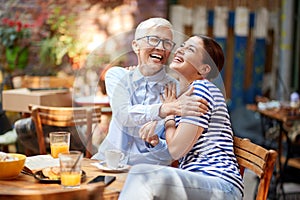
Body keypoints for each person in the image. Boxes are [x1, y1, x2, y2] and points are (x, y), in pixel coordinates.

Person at [119, 35, 244, 200]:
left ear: (204, 69)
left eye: (190, 49)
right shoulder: (186, 95)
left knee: (142, 174)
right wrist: (158, 143)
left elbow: (177, 150)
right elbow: (182, 149)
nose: (180, 50)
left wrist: (170, 115)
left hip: (220, 185)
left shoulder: (201, 89)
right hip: (199, 182)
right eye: (183, 46)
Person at [92, 18, 207, 165]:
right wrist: (164, 109)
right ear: (136, 46)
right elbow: (124, 114)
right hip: (108, 164)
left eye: (167, 43)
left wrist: (157, 143)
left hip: (147, 171)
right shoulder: (117, 76)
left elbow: (173, 148)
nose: (161, 47)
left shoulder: (177, 90)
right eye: (153, 39)